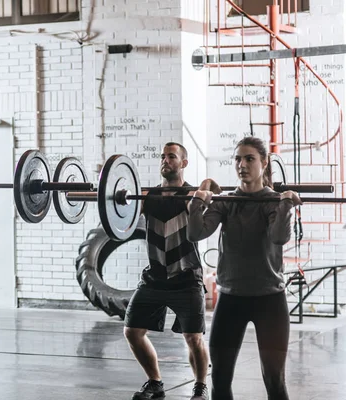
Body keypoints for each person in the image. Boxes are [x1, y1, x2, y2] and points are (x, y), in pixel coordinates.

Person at [187, 136, 301, 400]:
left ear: (264, 163)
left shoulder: (273, 202)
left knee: (274, 380)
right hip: (231, 300)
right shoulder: (225, 202)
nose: (242, 164)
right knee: (221, 379)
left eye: (249, 158)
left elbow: (279, 238)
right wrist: (197, 202)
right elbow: (195, 233)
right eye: (238, 159)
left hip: (270, 301)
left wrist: (285, 206)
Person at [124, 142, 210, 400]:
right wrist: (113, 196)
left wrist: (205, 189)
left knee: (193, 337)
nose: (165, 160)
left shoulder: (191, 195)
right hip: (155, 278)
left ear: (184, 163)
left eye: (172, 156)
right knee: (132, 332)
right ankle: (155, 382)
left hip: (186, 278)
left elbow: (203, 203)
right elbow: (120, 218)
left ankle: (200, 387)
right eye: (163, 156)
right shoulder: (147, 196)